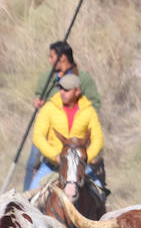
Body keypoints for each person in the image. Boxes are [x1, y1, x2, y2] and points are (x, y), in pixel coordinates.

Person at [26, 41, 102, 190]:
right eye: (60, 88)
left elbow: (98, 136)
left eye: (52, 56)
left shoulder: (83, 80)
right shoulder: (47, 82)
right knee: (31, 169)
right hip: (51, 143)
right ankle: (26, 195)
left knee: (100, 193)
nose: (62, 92)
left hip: (78, 149)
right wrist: (55, 155)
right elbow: (38, 135)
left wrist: (85, 156)